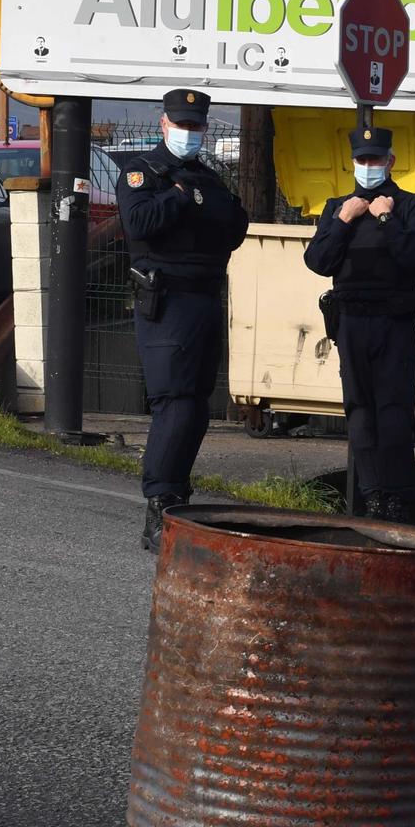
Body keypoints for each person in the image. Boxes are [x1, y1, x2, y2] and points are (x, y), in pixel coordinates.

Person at [117, 88, 250, 550]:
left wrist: (190, 196)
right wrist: (180, 198)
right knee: (173, 403)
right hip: (166, 301)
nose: (189, 133)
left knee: (195, 406)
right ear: (164, 124)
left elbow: (234, 227)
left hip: (205, 299)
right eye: (182, 125)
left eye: (196, 126)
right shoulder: (143, 172)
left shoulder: (208, 179)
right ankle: (160, 504)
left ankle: (178, 497)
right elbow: (140, 224)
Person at [303, 127, 415, 522]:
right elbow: (318, 262)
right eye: (362, 160)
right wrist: (344, 221)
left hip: (393, 322)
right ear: (353, 163)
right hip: (350, 322)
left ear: (390, 161)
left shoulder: (411, 205)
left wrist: (385, 220)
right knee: (360, 412)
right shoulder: (336, 208)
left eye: (376, 159)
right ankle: (372, 495)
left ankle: (397, 498)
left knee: (394, 412)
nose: (369, 166)